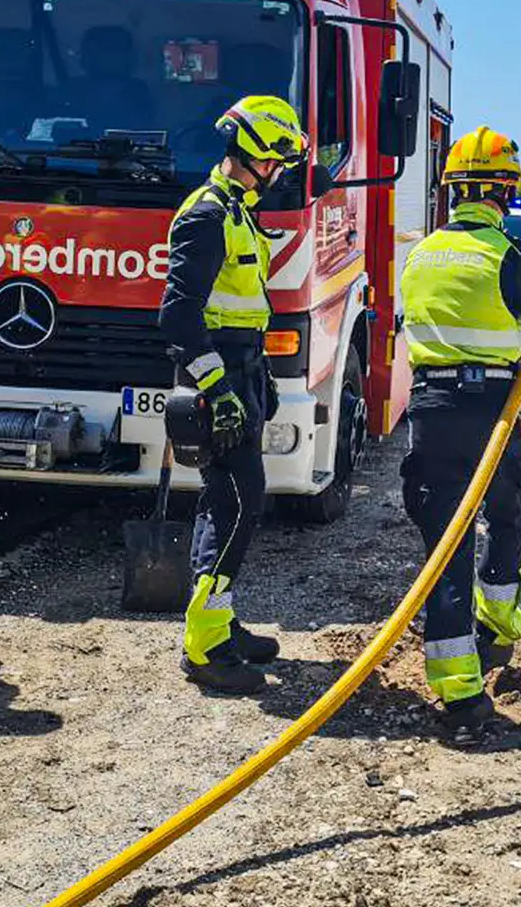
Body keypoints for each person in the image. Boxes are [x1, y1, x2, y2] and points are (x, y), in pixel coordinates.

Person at [397, 125, 521, 746]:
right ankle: (496, 631)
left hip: (428, 410)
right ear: (506, 192)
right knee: (505, 516)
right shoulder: (511, 256)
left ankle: (459, 692)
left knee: (444, 545)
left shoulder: (421, 255)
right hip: (494, 412)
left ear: (452, 192)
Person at [159, 95, 306, 695]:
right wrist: (217, 386)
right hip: (215, 373)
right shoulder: (207, 216)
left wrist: (253, 379)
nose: (281, 176)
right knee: (243, 503)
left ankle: (219, 627)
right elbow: (178, 317)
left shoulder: (238, 211)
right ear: (259, 156)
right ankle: (202, 643)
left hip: (241, 368)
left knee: (223, 499)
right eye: (279, 163)